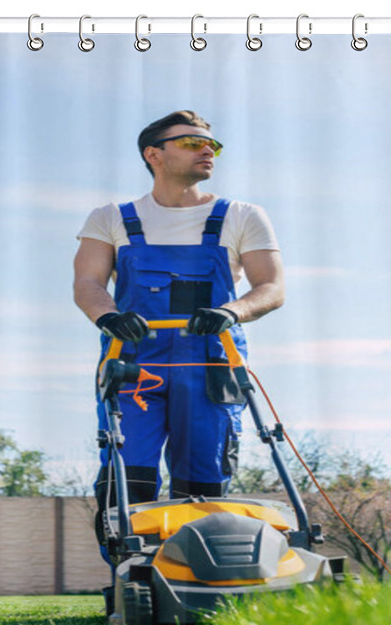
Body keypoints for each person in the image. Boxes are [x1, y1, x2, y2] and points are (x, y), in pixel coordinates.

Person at [73, 110, 285, 566]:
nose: (207, 149)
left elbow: (271, 288)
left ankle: (196, 572)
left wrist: (231, 311)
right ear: (154, 155)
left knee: (203, 481)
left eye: (212, 144)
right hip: (134, 366)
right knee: (129, 476)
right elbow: (88, 284)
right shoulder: (111, 218)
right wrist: (108, 317)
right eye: (191, 142)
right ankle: (130, 572)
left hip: (210, 366)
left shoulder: (242, 215)